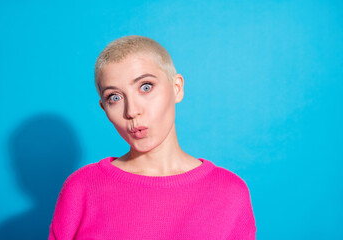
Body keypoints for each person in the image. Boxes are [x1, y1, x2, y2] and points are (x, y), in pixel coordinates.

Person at [48, 35, 256, 239]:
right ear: (104, 108)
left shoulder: (229, 192)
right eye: (115, 97)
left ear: (177, 88)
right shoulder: (82, 188)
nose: (132, 111)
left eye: (146, 87)